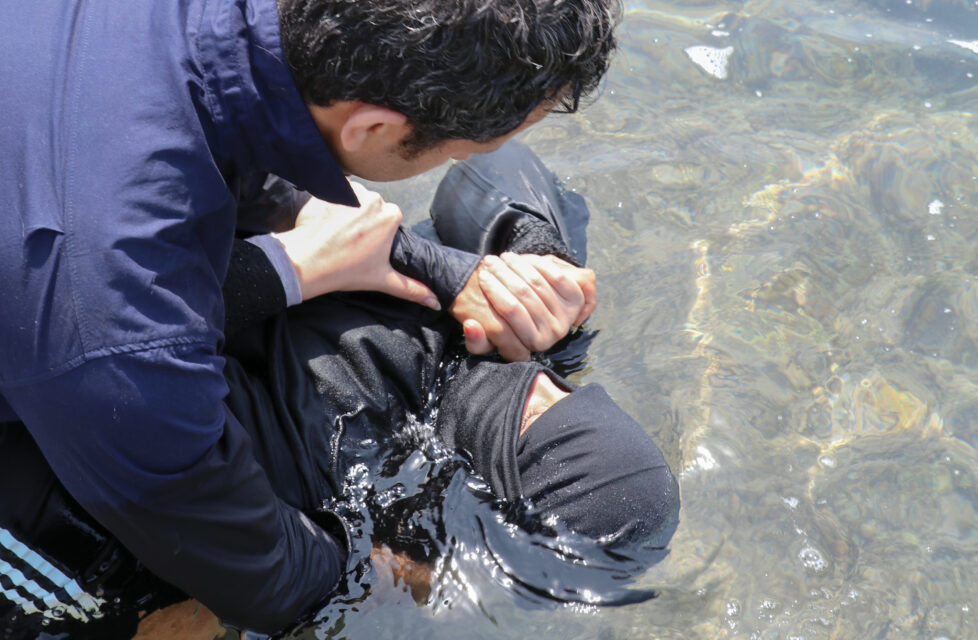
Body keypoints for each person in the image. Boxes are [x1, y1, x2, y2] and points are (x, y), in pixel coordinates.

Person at [0, 0, 621, 634]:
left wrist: (453, 271)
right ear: (371, 128)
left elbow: (217, 147)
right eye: (459, 150)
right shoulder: (117, 331)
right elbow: (269, 581)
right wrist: (403, 580)